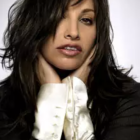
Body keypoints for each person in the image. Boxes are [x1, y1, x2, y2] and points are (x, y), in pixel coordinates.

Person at [0, 0, 140, 140]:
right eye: (60, 15)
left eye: (86, 20)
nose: (73, 32)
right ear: (34, 23)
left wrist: (76, 100)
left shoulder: (129, 100)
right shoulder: (4, 103)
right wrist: (52, 99)